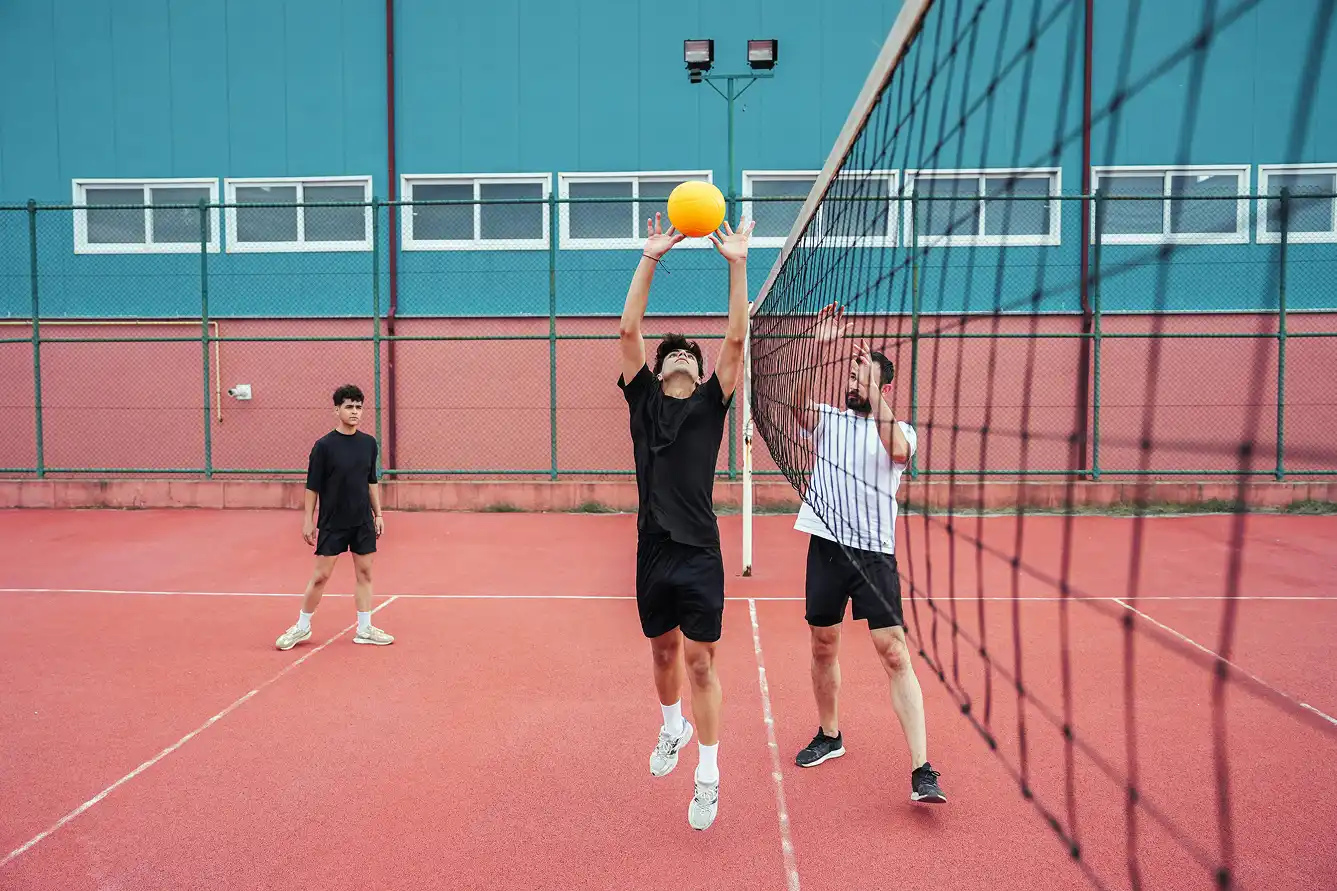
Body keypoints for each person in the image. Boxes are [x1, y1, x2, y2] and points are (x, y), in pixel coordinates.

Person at [618, 212, 753, 831]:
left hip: (700, 550)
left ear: (698, 375)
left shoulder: (709, 405)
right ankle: (670, 727)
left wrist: (737, 264)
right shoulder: (643, 402)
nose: (675, 358)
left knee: (702, 660)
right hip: (651, 550)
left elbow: (734, 340)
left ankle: (708, 774)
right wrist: (651, 257)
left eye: (685, 356)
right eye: (668, 353)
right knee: (663, 650)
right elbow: (628, 328)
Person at [788, 302, 945, 804]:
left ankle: (922, 769)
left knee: (894, 652)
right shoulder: (829, 420)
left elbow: (898, 451)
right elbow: (788, 399)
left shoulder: (900, 431)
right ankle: (830, 734)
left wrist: (874, 390)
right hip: (827, 544)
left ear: (883, 385)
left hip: (875, 554)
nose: (852, 381)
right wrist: (818, 346)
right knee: (822, 643)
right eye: (852, 374)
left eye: (863, 374)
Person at [275, 384, 394, 650]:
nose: (355, 412)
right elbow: (312, 486)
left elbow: (371, 481)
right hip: (333, 522)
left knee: (365, 572)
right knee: (321, 576)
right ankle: (302, 627)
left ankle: (364, 629)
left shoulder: (368, 444)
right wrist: (308, 519)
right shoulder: (324, 446)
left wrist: (378, 513)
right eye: (349, 407)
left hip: (362, 520)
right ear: (337, 410)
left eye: (359, 407)